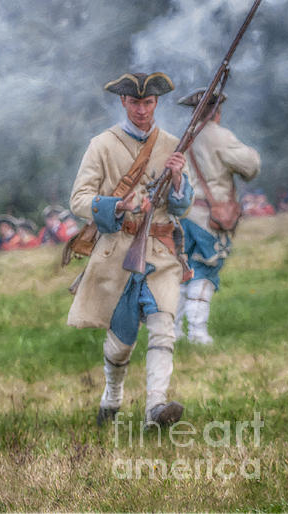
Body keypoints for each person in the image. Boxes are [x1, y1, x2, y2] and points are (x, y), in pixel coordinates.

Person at [66, 72, 193, 427]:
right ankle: (113, 396)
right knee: (121, 343)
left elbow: (182, 206)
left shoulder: (170, 144)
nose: (142, 110)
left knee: (163, 324)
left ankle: (156, 407)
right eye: (135, 102)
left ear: (156, 103)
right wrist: (116, 206)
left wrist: (179, 180)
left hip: (161, 250)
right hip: (119, 253)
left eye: (148, 102)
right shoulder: (102, 145)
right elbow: (78, 199)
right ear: (123, 102)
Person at [174, 88, 260, 345]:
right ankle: (197, 334)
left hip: (183, 215)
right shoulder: (218, 136)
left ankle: (175, 330)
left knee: (182, 273)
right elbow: (251, 166)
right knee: (204, 270)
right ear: (216, 111)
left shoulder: (186, 136)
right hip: (206, 219)